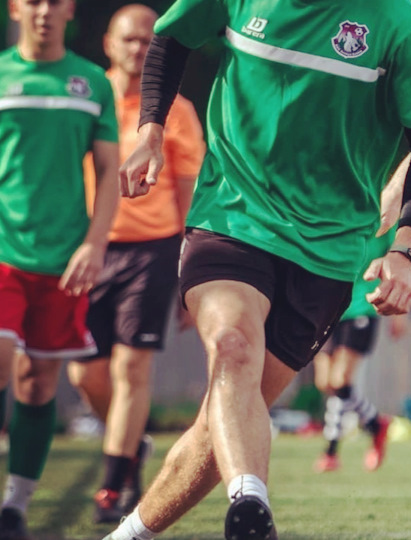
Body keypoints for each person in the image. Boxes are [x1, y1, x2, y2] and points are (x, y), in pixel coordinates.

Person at [100, 0, 411, 538]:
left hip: (329, 249)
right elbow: (170, 40)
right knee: (233, 346)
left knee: (225, 421)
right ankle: (251, 505)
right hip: (232, 215)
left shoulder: (399, 23)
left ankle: (126, 535)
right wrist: (151, 130)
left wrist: (406, 249)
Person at [65, 4, 206, 525]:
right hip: (91, 247)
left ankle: (111, 485)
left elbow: (188, 190)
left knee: (131, 368)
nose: (138, 48)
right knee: (84, 374)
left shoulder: (177, 111)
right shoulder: (88, 98)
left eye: (148, 40)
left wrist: (190, 268)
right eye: (129, 39)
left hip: (153, 249)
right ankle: (130, 446)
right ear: (108, 43)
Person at [0, 0, 119, 537]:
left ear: (70, 9)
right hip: (4, 250)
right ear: (15, 8)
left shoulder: (92, 82)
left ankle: (15, 505)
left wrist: (94, 244)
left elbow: (110, 169)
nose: (44, 10)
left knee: (37, 380)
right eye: (34, 0)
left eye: (56, 1)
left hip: (65, 257)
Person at [313, 230, 408, 474]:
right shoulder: (334, 218)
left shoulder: (385, 222)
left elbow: (398, 264)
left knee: (341, 380)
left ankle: (330, 452)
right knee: (325, 382)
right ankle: (376, 423)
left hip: (362, 307)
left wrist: (399, 315)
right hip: (330, 307)